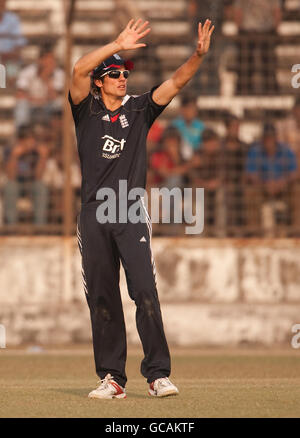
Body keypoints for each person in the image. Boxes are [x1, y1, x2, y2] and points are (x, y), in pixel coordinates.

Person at [69, 18, 214, 399]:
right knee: (101, 296)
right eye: (114, 73)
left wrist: (198, 55)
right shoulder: (85, 110)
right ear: (99, 81)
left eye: (124, 72)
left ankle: (157, 374)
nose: (122, 78)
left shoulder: (139, 110)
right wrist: (116, 42)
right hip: (93, 215)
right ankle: (112, 378)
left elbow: (177, 82)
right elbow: (78, 69)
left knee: (145, 290)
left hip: (130, 212)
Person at [245, 123, 297, 236]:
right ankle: (254, 233)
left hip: (284, 189)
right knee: (250, 192)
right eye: (266, 137)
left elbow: (294, 172)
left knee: (297, 190)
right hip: (262, 188)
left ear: (276, 137)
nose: (269, 140)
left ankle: (296, 231)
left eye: (271, 137)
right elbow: (251, 174)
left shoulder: (286, 150)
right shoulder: (255, 151)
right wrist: (264, 185)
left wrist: (282, 183)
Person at [3, 125, 49, 225]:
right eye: (26, 139)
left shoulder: (37, 152)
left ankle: (40, 227)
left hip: (33, 183)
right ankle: (12, 227)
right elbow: (10, 176)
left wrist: (43, 157)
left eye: (32, 139)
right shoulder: (10, 149)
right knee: (10, 187)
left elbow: (38, 176)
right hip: (17, 183)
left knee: (40, 187)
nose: (29, 142)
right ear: (20, 140)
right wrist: (14, 156)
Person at [233, 0, 281, 95]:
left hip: (267, 32)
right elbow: (238, 11)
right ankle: (243, 90)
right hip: (247, 32)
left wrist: (275, 29)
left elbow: (277, 11)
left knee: (269, 65)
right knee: (244, 65)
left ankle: (271, 91)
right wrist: (239, 30)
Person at [222, 114, 248, 234]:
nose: (236, 130)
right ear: (227, 128)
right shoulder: (220, 146)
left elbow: (248, 168)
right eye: (233, 127)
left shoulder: (244, 147)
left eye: (237, 127)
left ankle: (244, 230)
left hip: (242, 183)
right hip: (224, 182)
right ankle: (226, 230)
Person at [0, 0, 26, 87]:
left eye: (2, 2)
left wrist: (8, 55)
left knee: (13, 62)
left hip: (10, 57)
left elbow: (19, 43)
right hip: (4, 57)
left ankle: (9, 85)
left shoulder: (13, 19)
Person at [171, 95, 205, 160]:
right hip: (178, 158)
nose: (190, 111)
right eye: (188, 108)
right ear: (182, 109)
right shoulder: (174, 126)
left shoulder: (201, 126)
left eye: (193, 108)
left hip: (197, 158)